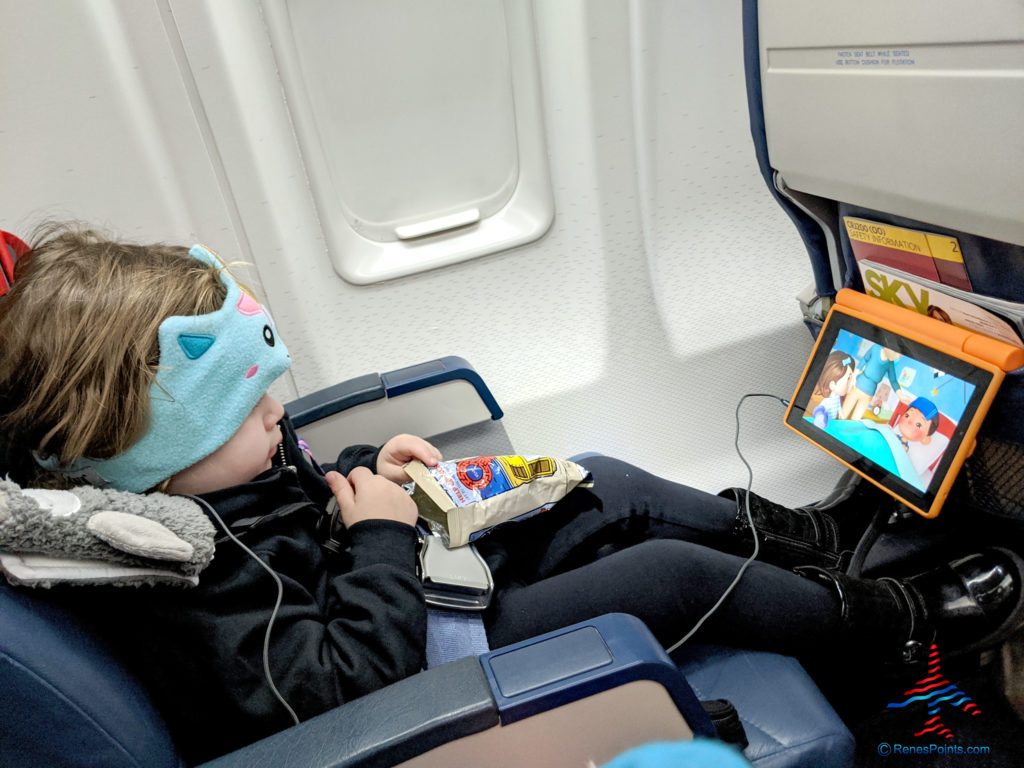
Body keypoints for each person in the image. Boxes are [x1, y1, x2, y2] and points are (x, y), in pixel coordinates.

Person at [1, 225, 1021, 763]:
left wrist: (370, 471)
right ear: (136, 445)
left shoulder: (204, 480)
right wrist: (382, 540)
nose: (278, 411)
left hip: (408, 585)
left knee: (606, 481)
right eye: (245, 408)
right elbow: (333, 683)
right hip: (428, 663)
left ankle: (810, 538)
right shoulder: (181, 572)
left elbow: (287, 509)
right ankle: (892, 621)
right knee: (658, 574)